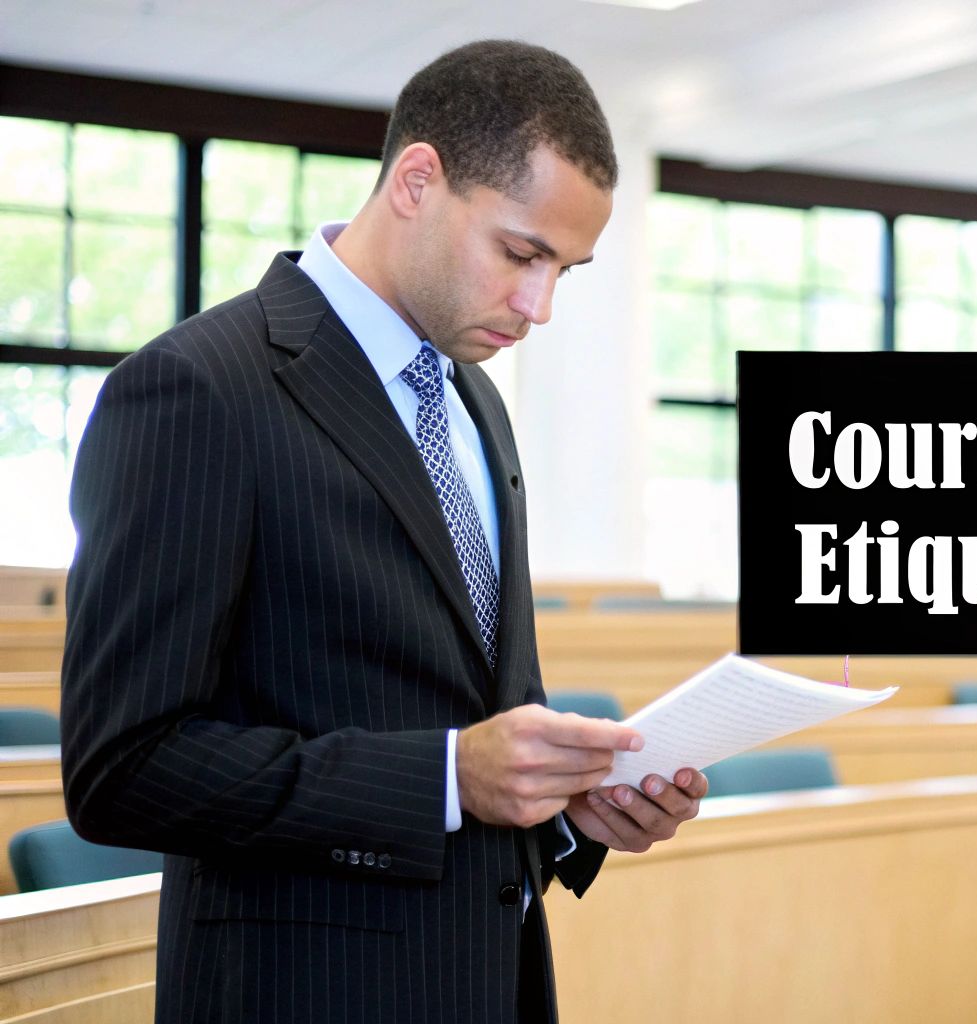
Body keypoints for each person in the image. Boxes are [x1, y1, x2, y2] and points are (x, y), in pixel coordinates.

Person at [58, 41, 706, 1024]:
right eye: (521, 253)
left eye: (564, 270)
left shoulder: (477, 403)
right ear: (416, 180)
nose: (539, 306)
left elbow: (480, 721)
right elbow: (122, 771)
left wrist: (567, 812)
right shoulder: (198, 388)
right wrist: (446, 777)